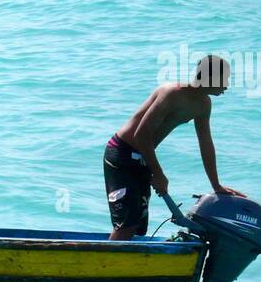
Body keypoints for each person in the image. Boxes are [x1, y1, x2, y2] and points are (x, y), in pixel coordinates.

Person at [104, 55, 243, 240]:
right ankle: (105, 266)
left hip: (144, 156)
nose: (226, 85)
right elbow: (141, 135)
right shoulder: (171, 94)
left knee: (138, 226)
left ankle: (126, 265)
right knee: (126, 224)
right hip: (122, 155)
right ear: (211, 78)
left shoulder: (203, 104)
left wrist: (216, 185)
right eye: (224, 79)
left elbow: (206, 144)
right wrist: (158, 173)